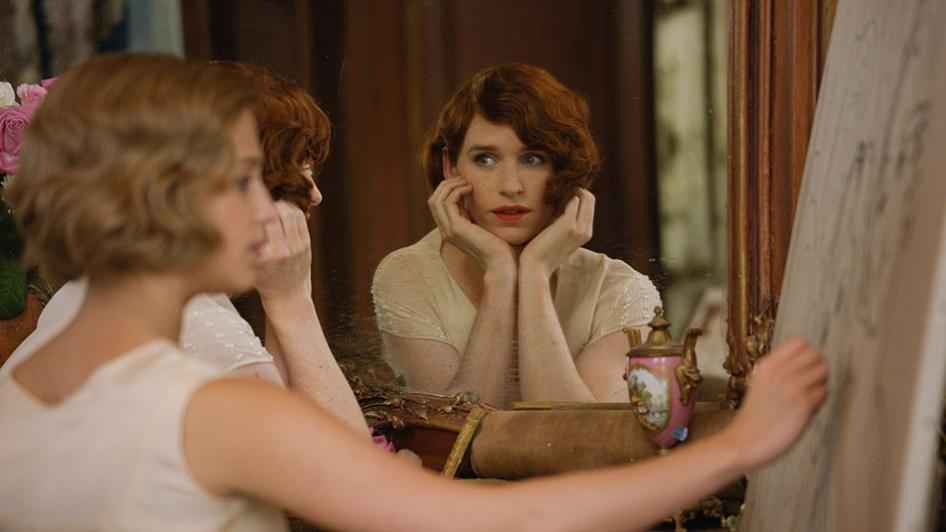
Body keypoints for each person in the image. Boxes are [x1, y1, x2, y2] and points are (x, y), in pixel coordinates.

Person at [0, 53, 828, 532]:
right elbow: (498, 526)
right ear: (173, 200)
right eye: (249, 178)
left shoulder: (23, 384)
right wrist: (735, 447)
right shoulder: (211, 407)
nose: (290, 202)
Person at [0, 61, 369, 435]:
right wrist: (294, 306)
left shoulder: (103, 292)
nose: (316, 196)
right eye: (298, 174)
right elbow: (345, 461)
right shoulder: (199, 330)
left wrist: (279, 295)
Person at [373, 63, 661, 408]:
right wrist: (500, 273)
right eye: (485, 159)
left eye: (533, 159)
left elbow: (574, 435)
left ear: (563, 168)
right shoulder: (408, 275)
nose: (511, 186)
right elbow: (454, 433)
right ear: (451, 167)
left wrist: (534, 272)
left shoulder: (620, 290)